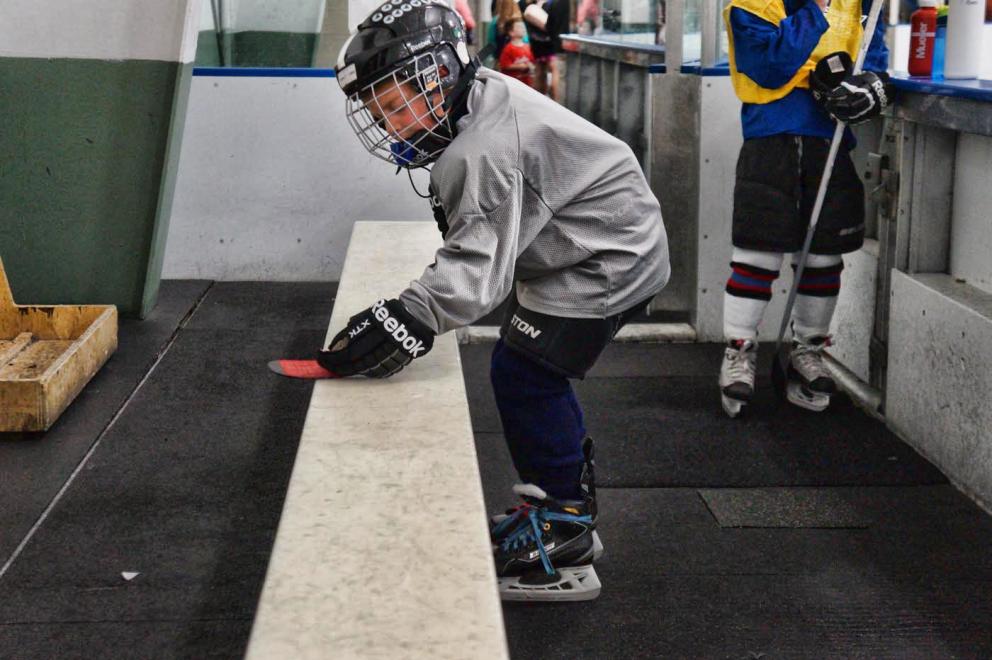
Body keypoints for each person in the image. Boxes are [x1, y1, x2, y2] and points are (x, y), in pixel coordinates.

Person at [331, 0, 670, 601]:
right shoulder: (472, 99)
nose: (389, 127)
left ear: (438, 76)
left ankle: (564, 526)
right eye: (379, 114)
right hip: (579, 244)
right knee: (527, 367)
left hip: (607, 257)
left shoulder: (484, 148)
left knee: (526, 374)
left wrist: (405, 318)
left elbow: (476, 270)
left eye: (396, 107)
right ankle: (561, 510)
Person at [718, 0, 891, 417]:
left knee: (822, 258)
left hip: (830, 141)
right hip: (769, 139)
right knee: (757, 254)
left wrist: (872, 86)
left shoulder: (862, 4)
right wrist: (816, 9)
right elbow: (769, 68)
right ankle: (738, 353)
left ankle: (807, 351)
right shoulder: (751, 5)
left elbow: (875, 58)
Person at [518, 0, 569, 99]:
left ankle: (539, 100)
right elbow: (550, 25)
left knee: (540, 71)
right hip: (551, 42)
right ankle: (556, 100)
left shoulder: (528, 5)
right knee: (555, 70)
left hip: (537, 42)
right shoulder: (550, 4)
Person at [498, 18, 536, 87]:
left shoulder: (528, 47)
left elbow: (533, 62)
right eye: (519, 27)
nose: (523, 29)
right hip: (512, 85)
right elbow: (505, 65)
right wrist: (523, 66)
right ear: (511, 32)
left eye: (523, 27)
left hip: (527, 84)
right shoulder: (508, 49)